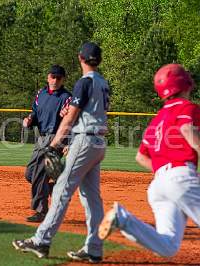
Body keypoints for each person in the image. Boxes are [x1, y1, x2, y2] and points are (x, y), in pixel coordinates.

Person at [13, 42, 110, 263]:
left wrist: (54, 145)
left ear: (80, 58)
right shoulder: (103, 83)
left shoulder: (84, 82)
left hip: (84, 140)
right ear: (99, 60)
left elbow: (70, 117)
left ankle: (41, 241)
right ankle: (94, 248)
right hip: (99, 142)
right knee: (91, 198)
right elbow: (92, 110)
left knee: (60, 191)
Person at [98, 63, 200, 258]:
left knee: (168, 246)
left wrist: (167, 176)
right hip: (180, 178)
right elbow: (188, 130)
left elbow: (141, 156)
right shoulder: (187, 107)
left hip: (159, 184)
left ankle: (123, 219)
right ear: (185, 83)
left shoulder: (159, 118)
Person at [23, 64, 72, 223]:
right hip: (42, 138)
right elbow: (35, 114)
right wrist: (30, 120)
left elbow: (71, 121)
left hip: (57, 138)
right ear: (48, 77)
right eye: (53, 76)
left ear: (63, 79)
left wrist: (68, 143)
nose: (55, 80)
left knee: (39, 171)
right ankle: (54, 186)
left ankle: (41, 211)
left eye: (59, 77)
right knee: (30, 173)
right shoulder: (40, 94)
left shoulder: (67, 98)